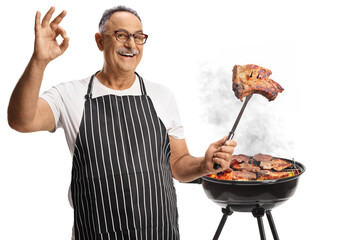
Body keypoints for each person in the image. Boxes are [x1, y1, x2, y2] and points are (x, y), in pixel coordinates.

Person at [8, 5, 237, 240]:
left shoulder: (162, 96)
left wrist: (204, 164)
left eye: (138, 37)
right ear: (100, 41)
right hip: (96, 233)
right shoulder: (69, 95)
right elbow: (21, 120)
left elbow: (177, 165)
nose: (131, 44)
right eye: (121, 35)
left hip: (160, 232)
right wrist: (39, 60)